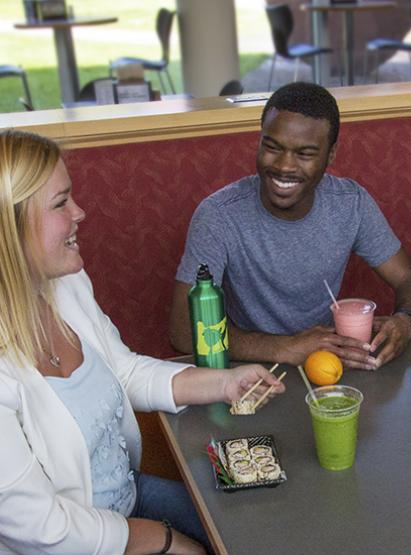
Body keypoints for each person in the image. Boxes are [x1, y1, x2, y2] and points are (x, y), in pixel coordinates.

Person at [0, 129, 286, 553]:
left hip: (128, 497)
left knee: (261, 530)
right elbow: (42, 528)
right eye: (61, 203)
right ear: (9, 225)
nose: (80, 213)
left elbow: (125, 370)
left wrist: (225, 381)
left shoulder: (66, 283)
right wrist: (166, 540)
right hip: (71, 542)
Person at [170, 82, 411, 371]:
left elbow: (410, 281)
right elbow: (183, 333)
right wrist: (286, 347)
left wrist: (405, 320)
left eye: (305, 154)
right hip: (246, 373)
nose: (284, 166)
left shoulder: (351, 203)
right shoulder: (218, 215)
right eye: (272, 147)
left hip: (329, 366)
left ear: (330, 156)